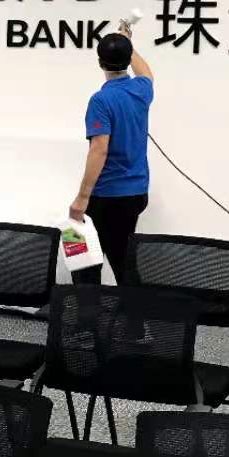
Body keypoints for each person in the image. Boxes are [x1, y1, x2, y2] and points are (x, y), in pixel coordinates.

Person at [69, 19, 153, 283]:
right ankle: (130, 308)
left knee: (83, 259)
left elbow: (99, 150)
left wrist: (81, 198)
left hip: (107, 196)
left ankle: (87, 308)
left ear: (100, 63)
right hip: (136, 193)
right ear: (127, 60)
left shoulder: (101, 100)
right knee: (122, 259)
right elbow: (146, 72)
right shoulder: (142, 89)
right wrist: (127, 42)